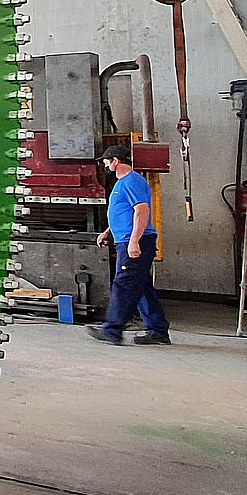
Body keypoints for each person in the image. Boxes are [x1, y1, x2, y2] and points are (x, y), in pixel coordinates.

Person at [88, 144, 172, 346]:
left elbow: (141, 211)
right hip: (127, 239)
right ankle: (157, 330)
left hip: (135, 241)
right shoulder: (123, 183)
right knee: (141, 286)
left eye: (106, 162)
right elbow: (124, 213)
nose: (106, 166)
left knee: (124, 284)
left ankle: (112, 330)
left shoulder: (132, 181)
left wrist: (134, 241)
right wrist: (108, 232)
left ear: (115, 161)